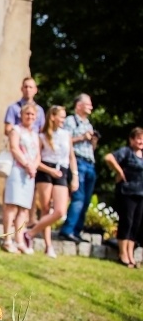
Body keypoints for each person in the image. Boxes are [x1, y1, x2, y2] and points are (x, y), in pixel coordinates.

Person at [23, 106, 77, 258]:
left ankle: (30, 233)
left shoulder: (67, 135)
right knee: (45, 209)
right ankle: (48, 246)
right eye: (61, 117)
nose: (64, 120)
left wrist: (75, 176)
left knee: (60, 211)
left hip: (62, 170)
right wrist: (49, 170)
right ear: (52, 117)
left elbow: (71, 157)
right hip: (46, 170)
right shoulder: (42, 136)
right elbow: (37, 159)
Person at [58, 94, 99, 243]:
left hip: (90, 163)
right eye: (88, 104)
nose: (91, 107)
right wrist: (82, 137)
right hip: (78, 162)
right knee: (78, 198)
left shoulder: (88, 124)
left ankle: (76, 231)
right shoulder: (70, 121)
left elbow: (91, 148)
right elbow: (65, 142)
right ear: (79, 105)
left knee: (86, 200)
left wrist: (93, 140)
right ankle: (67, 230)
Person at [1, 103, 40, 254]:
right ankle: (7, 239)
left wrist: (34, 167)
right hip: (17, 170)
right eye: (27, 114)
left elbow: (38, 155)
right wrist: (26, 164)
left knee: (24, 209)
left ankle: (19, 240)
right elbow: (14, 148)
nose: (29, 117)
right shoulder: (16, 130)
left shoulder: (35, 135)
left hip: (29, 173)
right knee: (12, 205)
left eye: (32, 115)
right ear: (21, 115)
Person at [104, 127, 143, 268]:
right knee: (126, 222)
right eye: (138, 138)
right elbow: (108, 157)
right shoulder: (126, 152)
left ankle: (130, 254)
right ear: (131, 139)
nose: (141, 141)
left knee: (135, 225)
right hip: (127, 192)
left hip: (141, 194)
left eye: (142, 138)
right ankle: (123, 254)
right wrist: (119, 171)